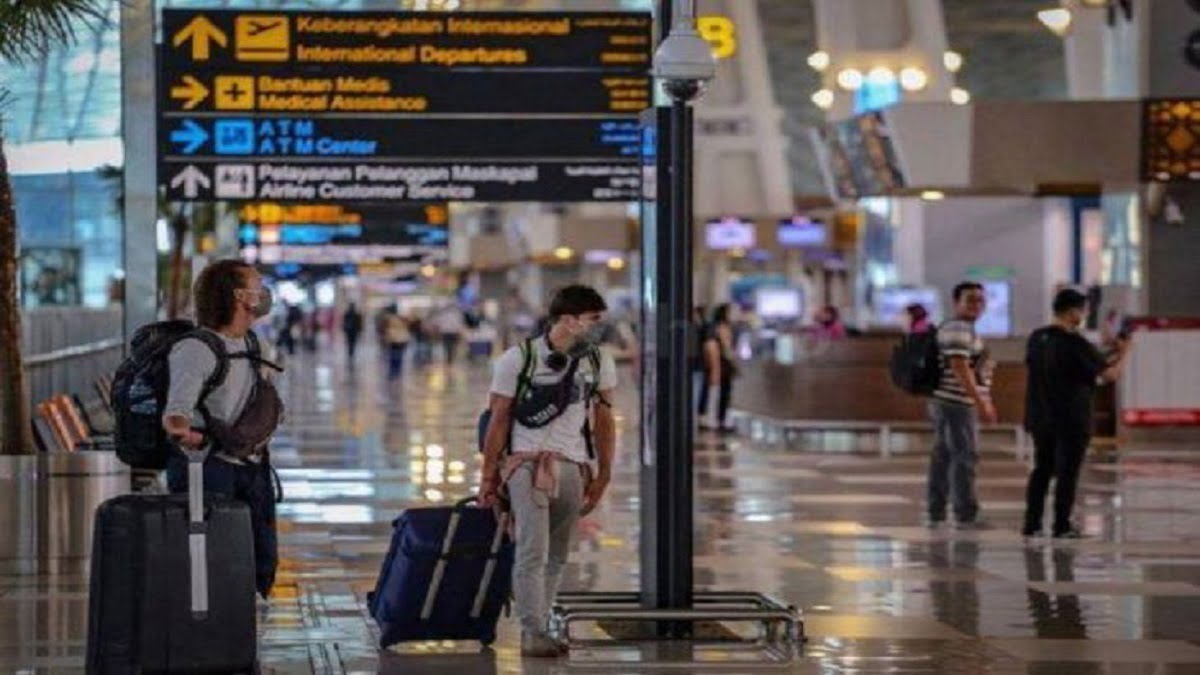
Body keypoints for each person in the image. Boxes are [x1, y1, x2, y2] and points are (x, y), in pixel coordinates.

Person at [479, 285, 617, 658]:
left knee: (557, 554)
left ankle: (540, 621)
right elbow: (497, 419)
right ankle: (532, 631)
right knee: (532, 550)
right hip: (526, 465)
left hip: (573, 466)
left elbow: (604, 420)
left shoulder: (598, 361)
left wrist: (603, 474)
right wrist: (489, 478)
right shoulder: (518, 359)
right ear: (569, 321)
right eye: (592, 319)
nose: (598, 327)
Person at [162, 259, 283, 599]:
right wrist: (189, 435)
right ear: (238, 296)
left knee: (261, 560)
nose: (263, 295)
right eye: (257, 288)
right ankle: (211, 622)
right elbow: (175, 415)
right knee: (213, 562)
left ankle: (245, 618)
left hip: (252, 467)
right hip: (208, 468)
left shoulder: (255, 345)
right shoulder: (195, 349)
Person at [1022, 289, 1129, 539]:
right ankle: (1061, 526)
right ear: (1073, 312)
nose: (1084, 316)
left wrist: (1107, 352)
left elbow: (1081, 363)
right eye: (1083, 311)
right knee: (1067, 473)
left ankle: (1032, 524)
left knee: (1042, 470)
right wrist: (1125, 352)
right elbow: (1109, 374)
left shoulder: (1037, 338)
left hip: (1040, 416)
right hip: (1071, 419)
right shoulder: (1075, 343)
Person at [927, 281, 995, 530]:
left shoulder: (959, 328)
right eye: (970, 300)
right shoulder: (958, 328)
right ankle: (965, 513)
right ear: (957, 303)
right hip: (955, 402)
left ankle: (937, 510)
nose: (977, 305)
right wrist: (980, 401)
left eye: (980, 300)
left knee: (944, 456)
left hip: (949, 402)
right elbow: (959, 367)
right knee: (964, 456)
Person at [698, 304, 737, 433]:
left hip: (721, 366)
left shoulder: (717, 328)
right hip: (721, 366)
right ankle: (716, 418)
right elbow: (717, 348)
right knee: (719, 392)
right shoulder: (720, 329)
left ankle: (716, 418)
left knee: (719, 392)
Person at [384, 312, 411, 380]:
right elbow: (405, 334)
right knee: (397, 356)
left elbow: (389, 333)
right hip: (399, 341)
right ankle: (396, 371)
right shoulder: (402, 324)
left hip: (395, 341)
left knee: (394, 356)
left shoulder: (392, 324)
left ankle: (394, 371)